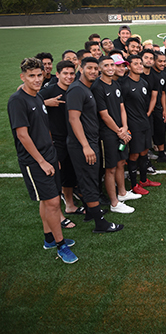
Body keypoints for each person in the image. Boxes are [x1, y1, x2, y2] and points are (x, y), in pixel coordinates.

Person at [8, 57, 78, 263]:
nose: (37, 79)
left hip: (48, 155)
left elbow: (44, 127)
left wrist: (52, 155)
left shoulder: (37, 96)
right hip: (34, 161)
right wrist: (42, 161)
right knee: (54, 203)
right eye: (32, 76)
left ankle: (49, 238)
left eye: (39, 75)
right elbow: (23, 135)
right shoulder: (17, 100)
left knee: (48, 199)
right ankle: (60, 245)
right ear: (23, 77)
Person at [66, 57, 123, 233]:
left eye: (94, 69)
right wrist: (85, 145)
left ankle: (91, 212)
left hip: (90, 141)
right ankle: (100, 223)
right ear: (81, 69)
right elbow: (73, 119)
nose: (93, 71)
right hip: (83, 145)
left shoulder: (86, 88)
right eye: (89, 68)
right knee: (89, 181)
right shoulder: (76, 90)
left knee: (89, 179)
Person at [92, 56, 138, 214]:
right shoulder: (98, 87)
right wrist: (120, 131)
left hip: (121, 132)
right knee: (110, 168)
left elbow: (121, 108)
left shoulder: (115, 83)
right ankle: (114, 203)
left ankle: (122, 193)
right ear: (100, 68)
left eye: (112, 64)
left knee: (121, 162)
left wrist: (124, 127)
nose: (110, 68)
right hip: (108, 134)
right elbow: (104, 115)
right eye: (106, 65)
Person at [39, 60, 83, 220]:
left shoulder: (76, 90)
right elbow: (28, 104)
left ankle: (70, 206)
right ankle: (57, 215)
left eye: (72, 73)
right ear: (57, 75)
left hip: (72, 140)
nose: (69, 76)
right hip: (55, 142)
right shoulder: (48, 91)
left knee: (69, 175)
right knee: (55, 179)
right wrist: (45, 103)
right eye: (65, 73)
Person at [120, 54, 161, 195]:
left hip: (145, 123)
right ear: (129, 66)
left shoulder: (144, 83)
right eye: (136, 64)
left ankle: (143, 180)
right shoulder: (124, 84)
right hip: (134, 125)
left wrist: (147, 114)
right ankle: (133, 184)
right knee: (134, 155)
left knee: (144, 152)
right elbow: (121, 107)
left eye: (140, 64)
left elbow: (147, 101)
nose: (139, 66)